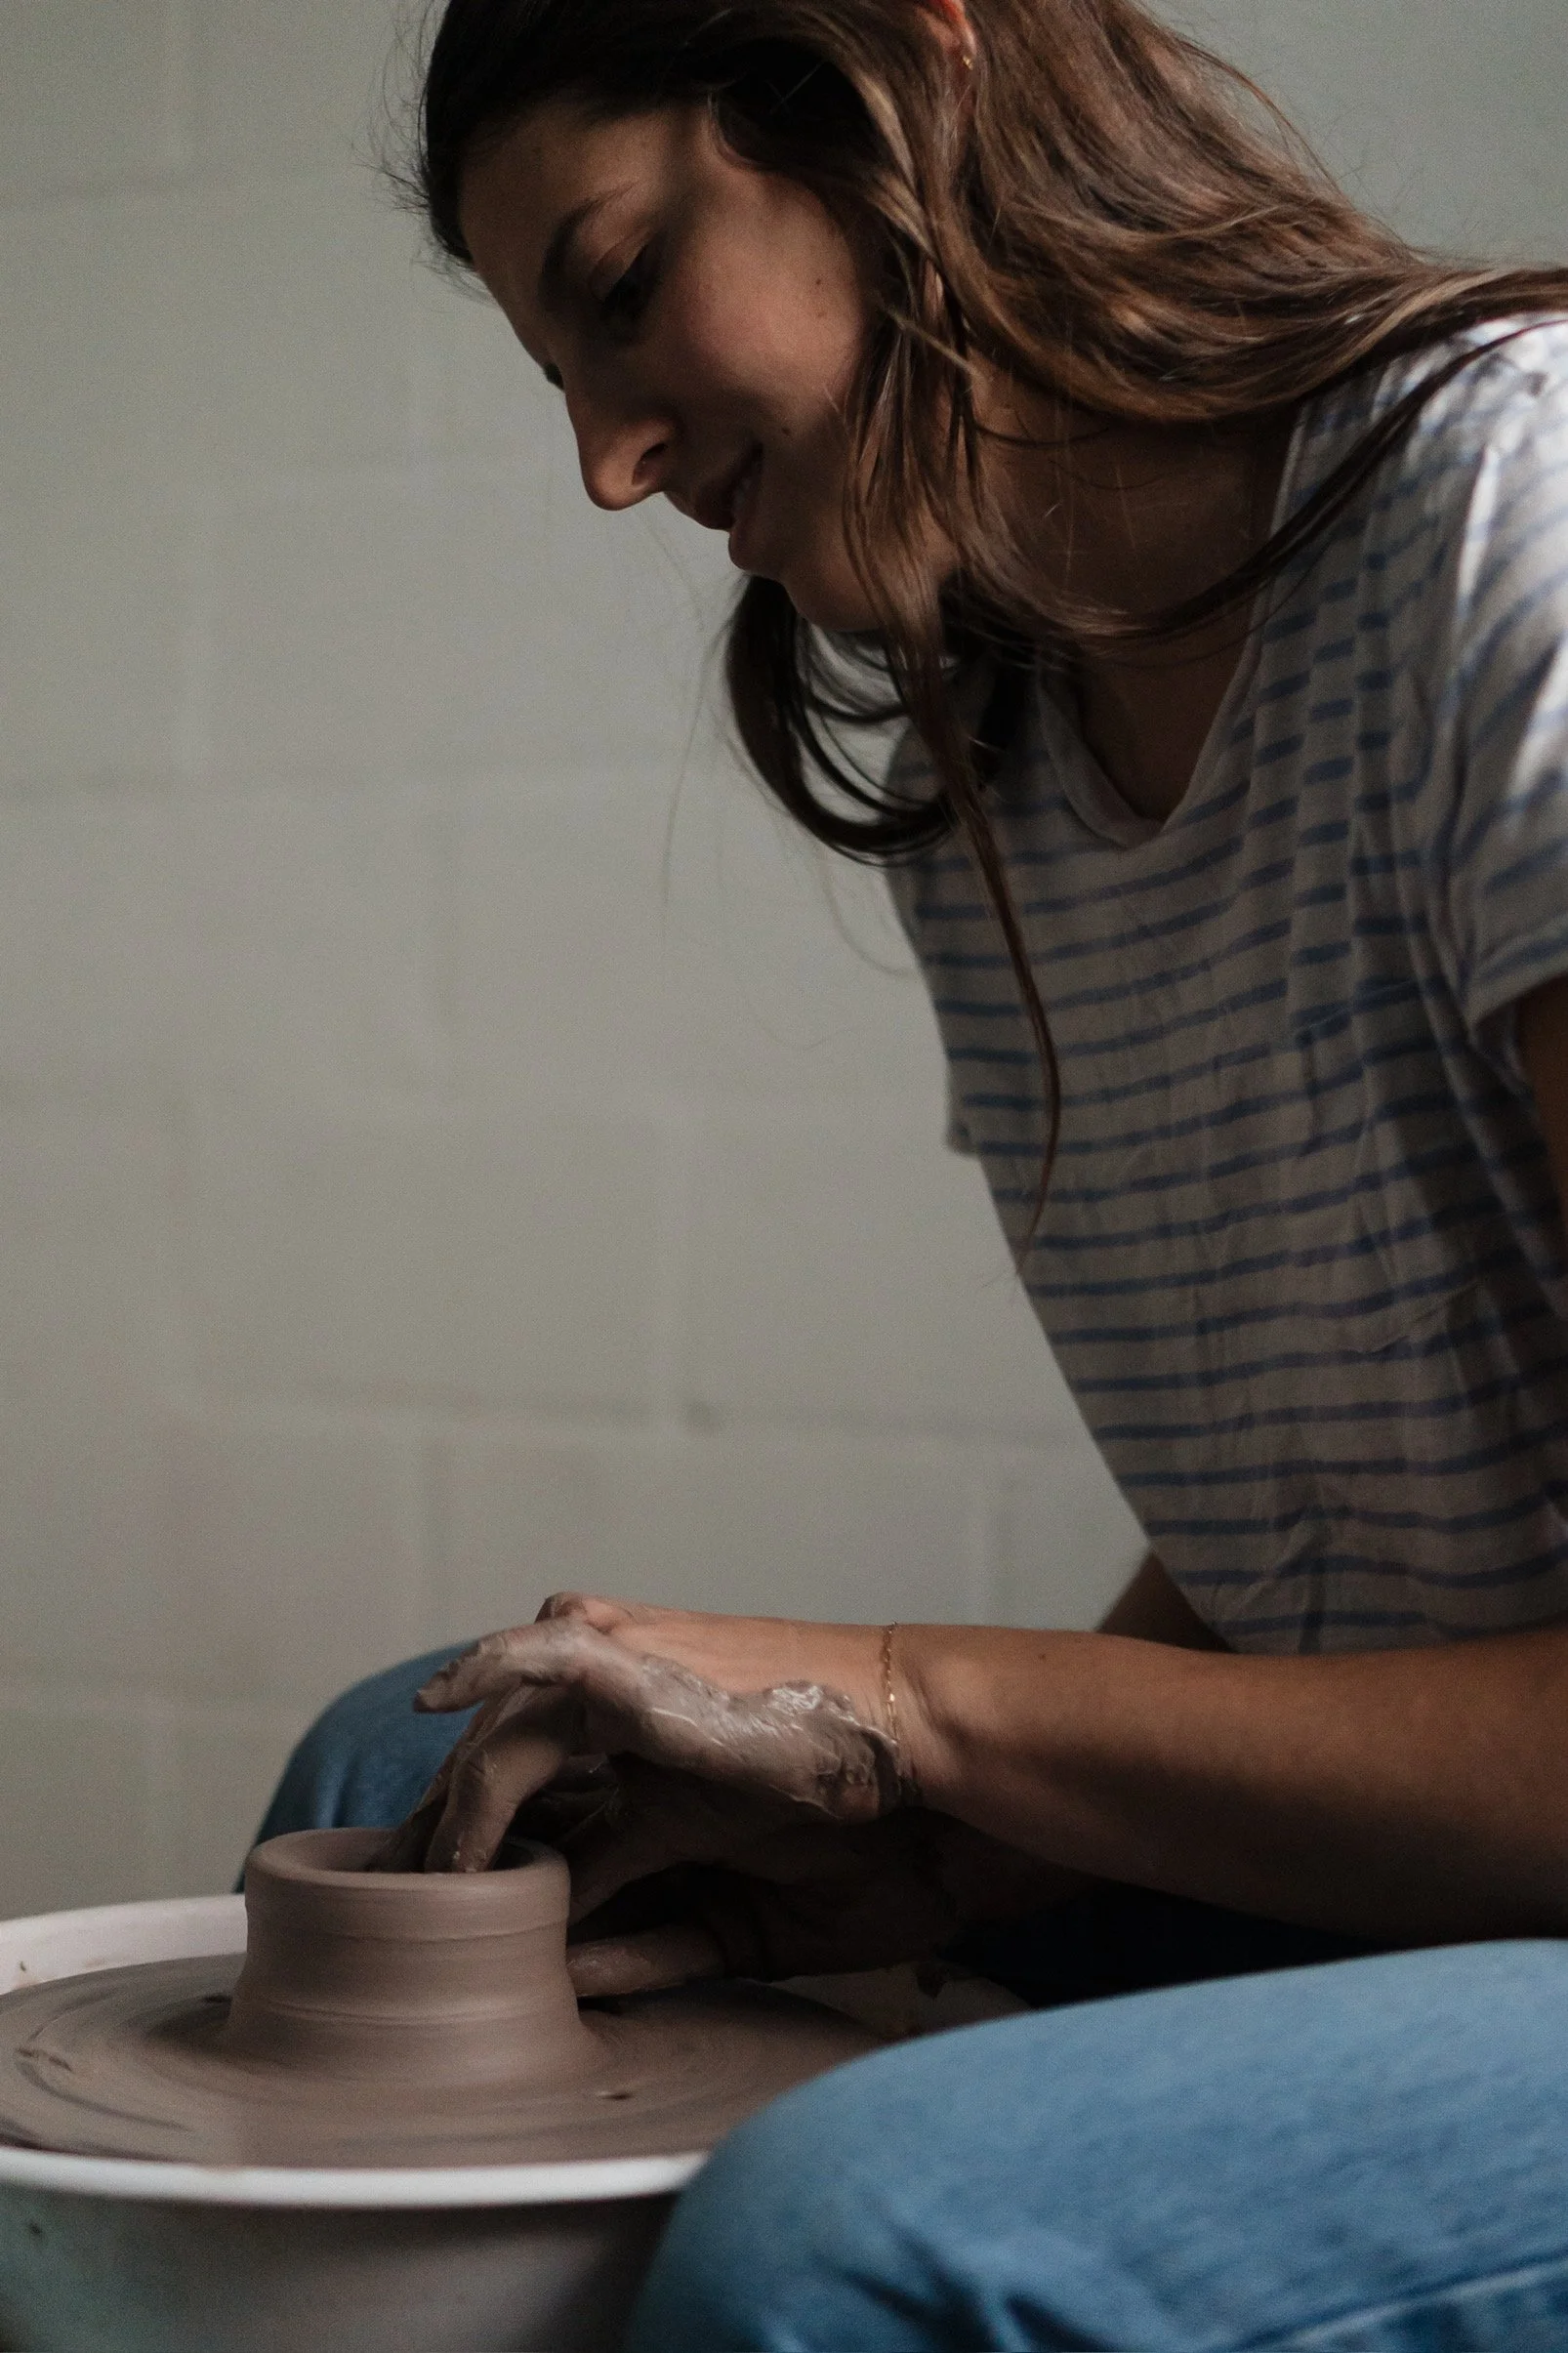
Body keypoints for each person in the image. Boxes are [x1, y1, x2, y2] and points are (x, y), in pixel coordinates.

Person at [257, 0, 1568, 2340]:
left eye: (623, 285)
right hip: (1457, 1845)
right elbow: (1344, 1511)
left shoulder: (1514, 519)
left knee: (842, 2229)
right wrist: (932, 1847)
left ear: (907, 77)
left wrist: (906, 1704)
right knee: (433, 1760)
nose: (608, 462)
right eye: (558, 374)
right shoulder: (996, 753)